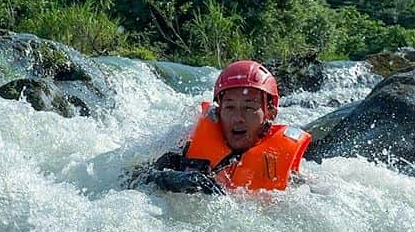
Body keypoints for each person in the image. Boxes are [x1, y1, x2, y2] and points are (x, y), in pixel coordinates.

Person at [133, 60, 311, 194]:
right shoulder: (184, 147)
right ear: (219, 111)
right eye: (229, 107)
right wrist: (174, 179)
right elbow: (135, 179)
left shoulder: (291, 175)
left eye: (249, 108)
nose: (238, 118)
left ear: (270, 112)